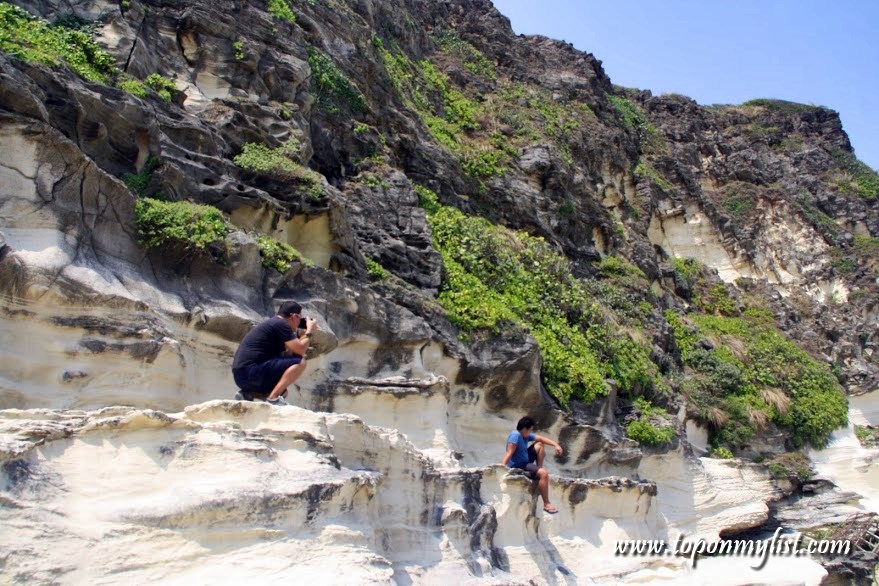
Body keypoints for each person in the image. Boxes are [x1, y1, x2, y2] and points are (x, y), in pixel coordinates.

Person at [232, 301, 317, 406]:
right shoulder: (281, 323)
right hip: (251, 372)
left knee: (282, 390)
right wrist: (309, 331)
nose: (300, 323)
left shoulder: (274, 324)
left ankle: (248, 393)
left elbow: (292, 354)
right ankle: (273, 399)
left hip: (241, 377)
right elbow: (300, 350)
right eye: (300, 319)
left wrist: (301, 335)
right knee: (301, 362)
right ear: (294, 316)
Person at [501, 416, 564, 514]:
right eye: (530, 430)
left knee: (540, 444)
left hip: (525, 460)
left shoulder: (525, 435)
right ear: (525, 429)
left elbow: (541, 438)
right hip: (518, 465)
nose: (531, 432)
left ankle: (537, 470)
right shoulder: (515, 435)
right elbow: (509, 453)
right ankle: (547, 504)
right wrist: (501, 468)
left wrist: (556, 445)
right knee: (544, 473)